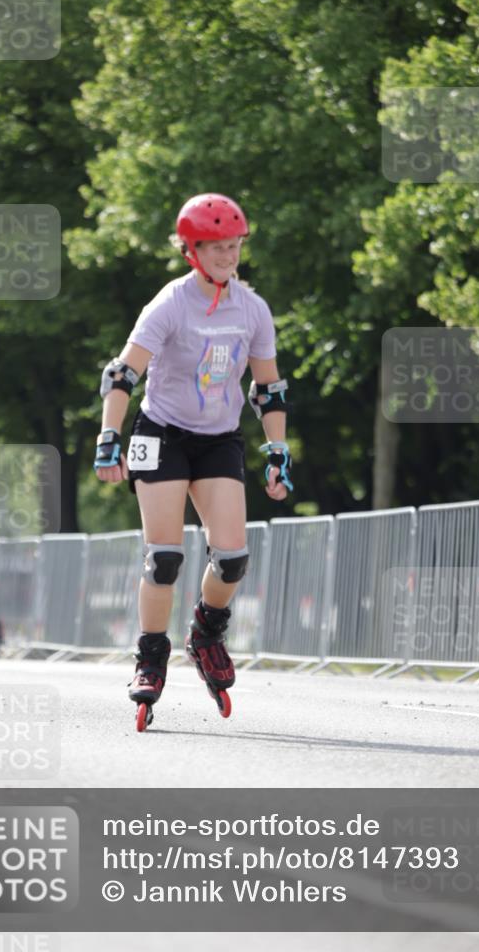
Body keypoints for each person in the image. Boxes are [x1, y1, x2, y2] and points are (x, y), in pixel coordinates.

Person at [94, 193, 293, 731]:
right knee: (164, 558)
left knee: (232, 558)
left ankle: (206, 631)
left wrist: (277, 451)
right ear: (192, 250)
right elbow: (123, 373)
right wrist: (109, 436)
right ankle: (150, 656)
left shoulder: (252, 309)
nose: (228, 256)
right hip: (161, 433)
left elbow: (268, 388)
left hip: (218, 438)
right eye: (217, 248)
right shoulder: (170, 303)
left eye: (234, 246)